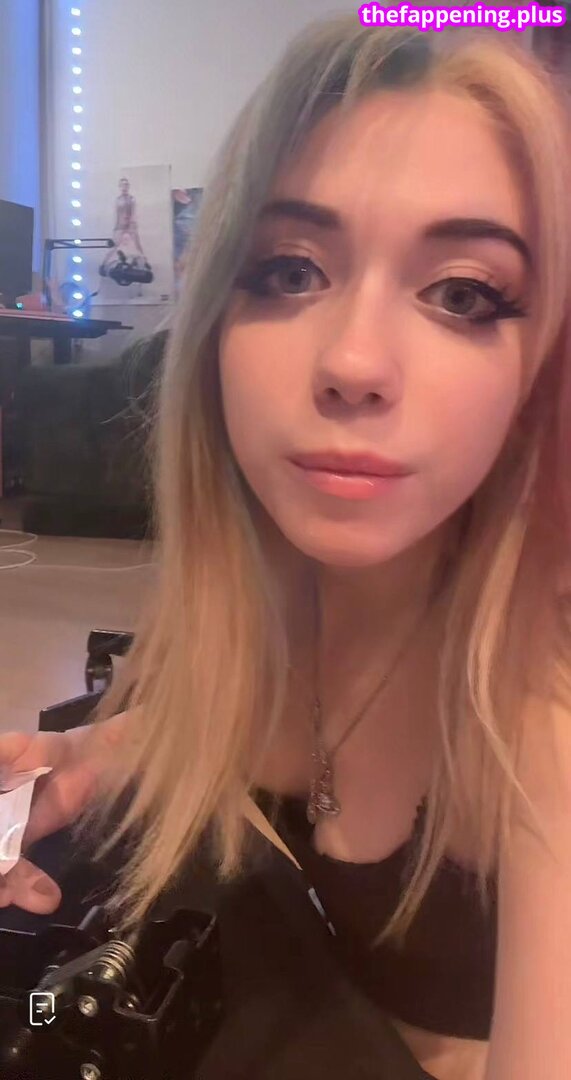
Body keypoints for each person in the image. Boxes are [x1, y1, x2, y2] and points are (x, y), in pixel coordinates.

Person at [2, 17, 571, 1080]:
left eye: (461, 293)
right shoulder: (246, 600)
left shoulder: (543, 712)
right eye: (289, 271)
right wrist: (84, 762)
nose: (352, 361)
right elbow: (239, 728)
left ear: (542, 367)